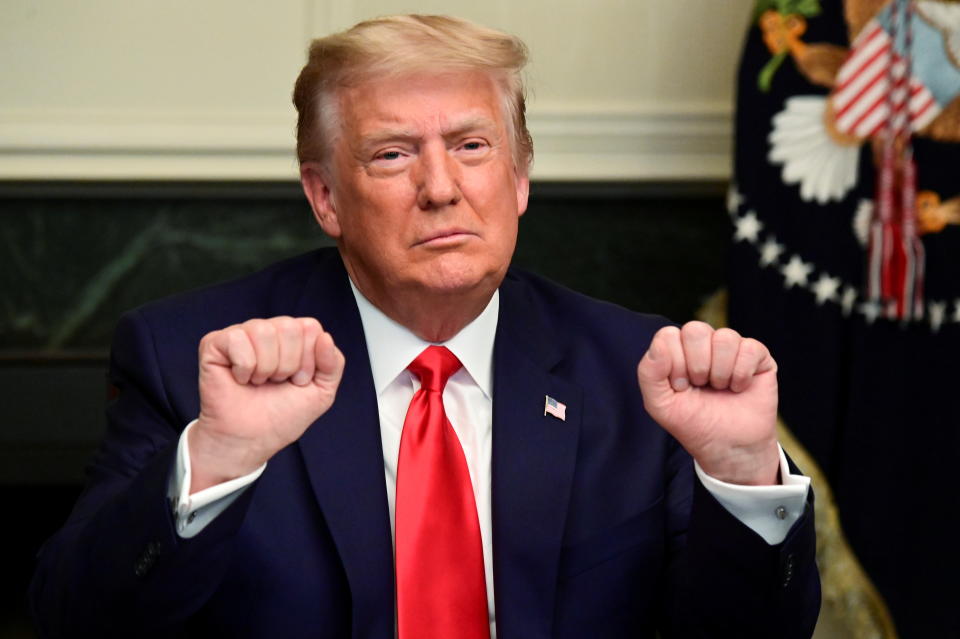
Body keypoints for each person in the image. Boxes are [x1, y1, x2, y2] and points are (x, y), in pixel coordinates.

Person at [30, 14, 819, 638]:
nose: (440, 187)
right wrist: (218, 460)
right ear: (326, 197)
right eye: (391, 154)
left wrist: (744, 475)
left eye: (472, 146)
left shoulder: (637, 373)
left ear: (518, 178)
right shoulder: (190, 360)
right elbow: (76, 620)